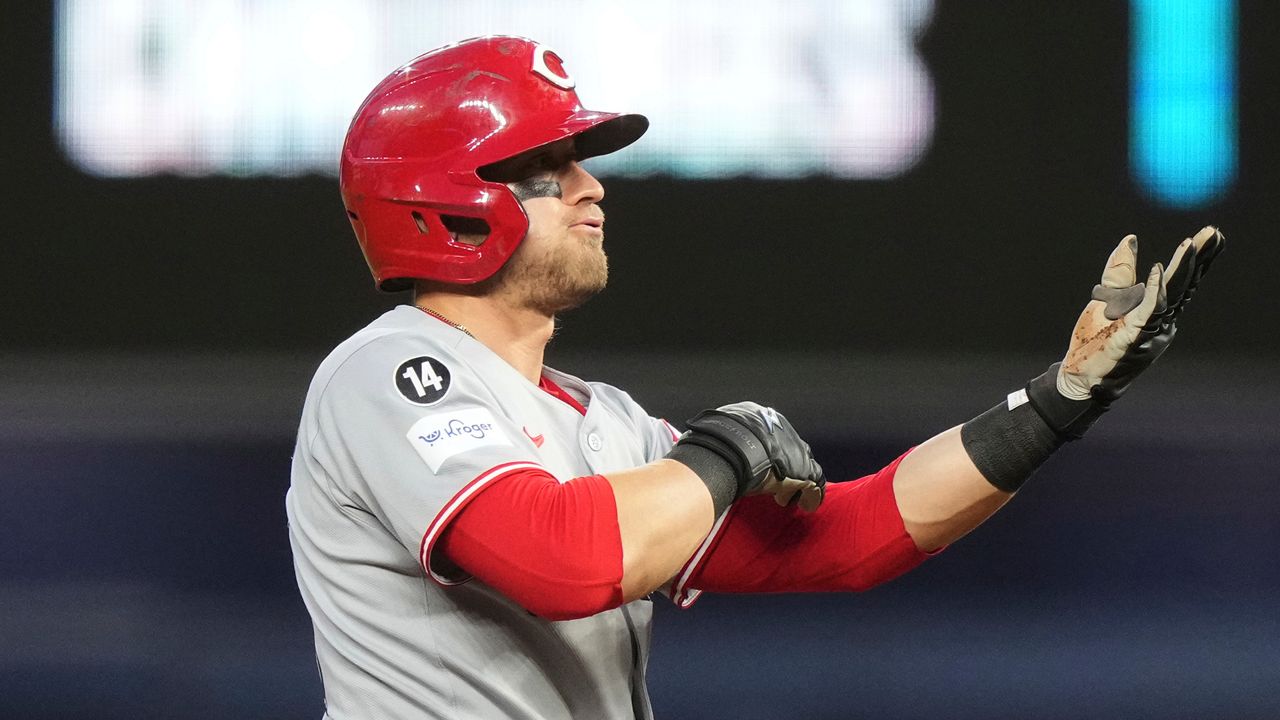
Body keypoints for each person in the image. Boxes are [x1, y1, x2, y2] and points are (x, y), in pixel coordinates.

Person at [285, 35, 1223, 720]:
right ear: (447, 206)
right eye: (548, 168)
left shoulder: (602, 421)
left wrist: (1054, 404)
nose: (591, 188)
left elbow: (846, 538)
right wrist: (722, 454)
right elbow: (558, 561)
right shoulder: (388, 370)